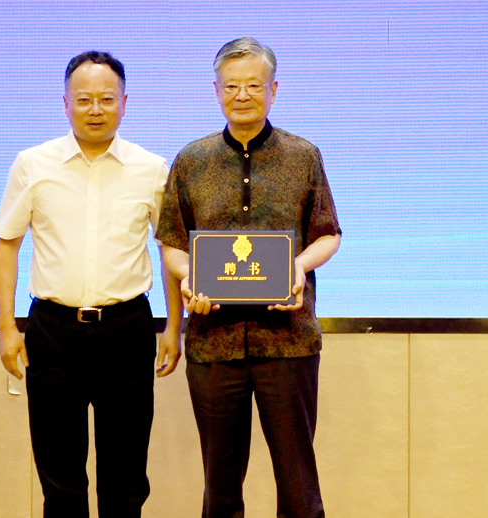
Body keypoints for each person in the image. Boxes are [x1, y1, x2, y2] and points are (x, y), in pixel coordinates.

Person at [0, 50, 183, 518]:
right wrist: (7, 329)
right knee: (60, 481)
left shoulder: (151, 169)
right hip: (53, 333)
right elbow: (7, 246)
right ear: (65, 104)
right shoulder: (32, 164)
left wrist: (173, 329)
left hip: (127, 331)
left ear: (124, 102)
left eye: (106, 99)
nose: (95, 109)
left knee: (126, 479)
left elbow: (170, 251)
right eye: (83, 99)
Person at [157, 38, 342, 518]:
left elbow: (327, 234)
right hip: (213, 342)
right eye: (232, 86)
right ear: (216, 91)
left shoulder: (303, 155)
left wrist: (298, 266)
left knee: (299, 488)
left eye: (254, 86)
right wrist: (191, 276)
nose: (243, 95)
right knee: (219, 489)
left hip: (288, 341)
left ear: (273, 90)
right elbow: (172, 242)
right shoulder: (192, 160)